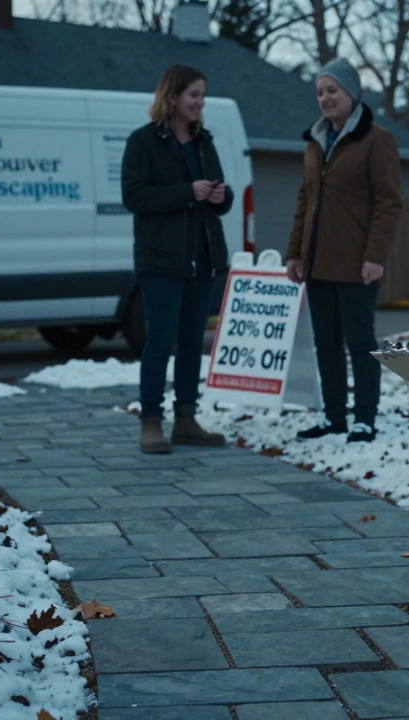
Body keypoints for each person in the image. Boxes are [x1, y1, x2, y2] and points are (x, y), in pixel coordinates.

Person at [285, 57, 403, 444]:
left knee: (360, 342)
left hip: (356, 263)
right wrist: (295, 253)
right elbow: (304, 200)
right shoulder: (315, 142)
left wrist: (375, 256)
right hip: (317, 263)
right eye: (319, 92)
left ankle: (364, 418)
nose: (325, 98)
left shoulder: (376, 140)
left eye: (332, 90)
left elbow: (388, 202)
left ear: (351, 94)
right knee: (326, 343)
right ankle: (334, 416)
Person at [121, 64, 232, 453]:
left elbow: (219, 196)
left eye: (203, 95)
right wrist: (188, 191)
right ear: (172, 96)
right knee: (160, 341)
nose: (201, 102)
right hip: (161, 261)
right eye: (194, 95)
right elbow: (135, 197)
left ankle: (186, 418)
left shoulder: (205, 142)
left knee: (190, 342)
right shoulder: (143, 142)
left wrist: (222, 196)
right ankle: (151, 421)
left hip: (202, 259)